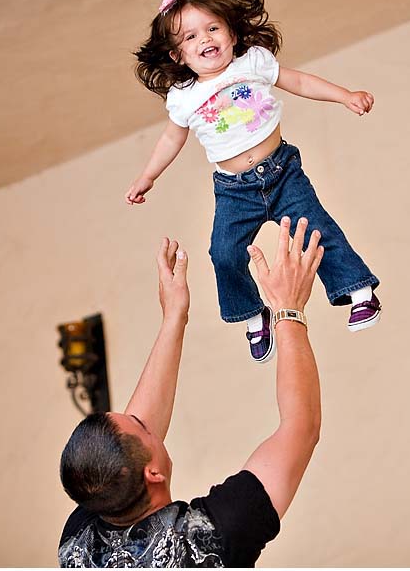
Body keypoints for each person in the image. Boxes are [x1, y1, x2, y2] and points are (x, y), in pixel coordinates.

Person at [126, 0, 381, 364]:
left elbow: (299, 82)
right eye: (191, 37)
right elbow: (171, 138)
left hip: (281, 173)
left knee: (315, 230)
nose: (205, 39)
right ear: (177, 55)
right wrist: (148, 176)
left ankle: (358, 292)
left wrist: (344, 96)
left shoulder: (253, 63)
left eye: (213, 28)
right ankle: (251, 314)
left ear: (231, 33)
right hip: (234, 192)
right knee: (223, 252)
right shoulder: (183, 97)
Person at [59, 217, 324, 567]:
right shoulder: (209, 538)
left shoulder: (78, 544)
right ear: (151, 475)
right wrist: (288, 307)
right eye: (142, 425)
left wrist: (174, 317)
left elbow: (128, 453)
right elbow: (301, 428)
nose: (147, 420)